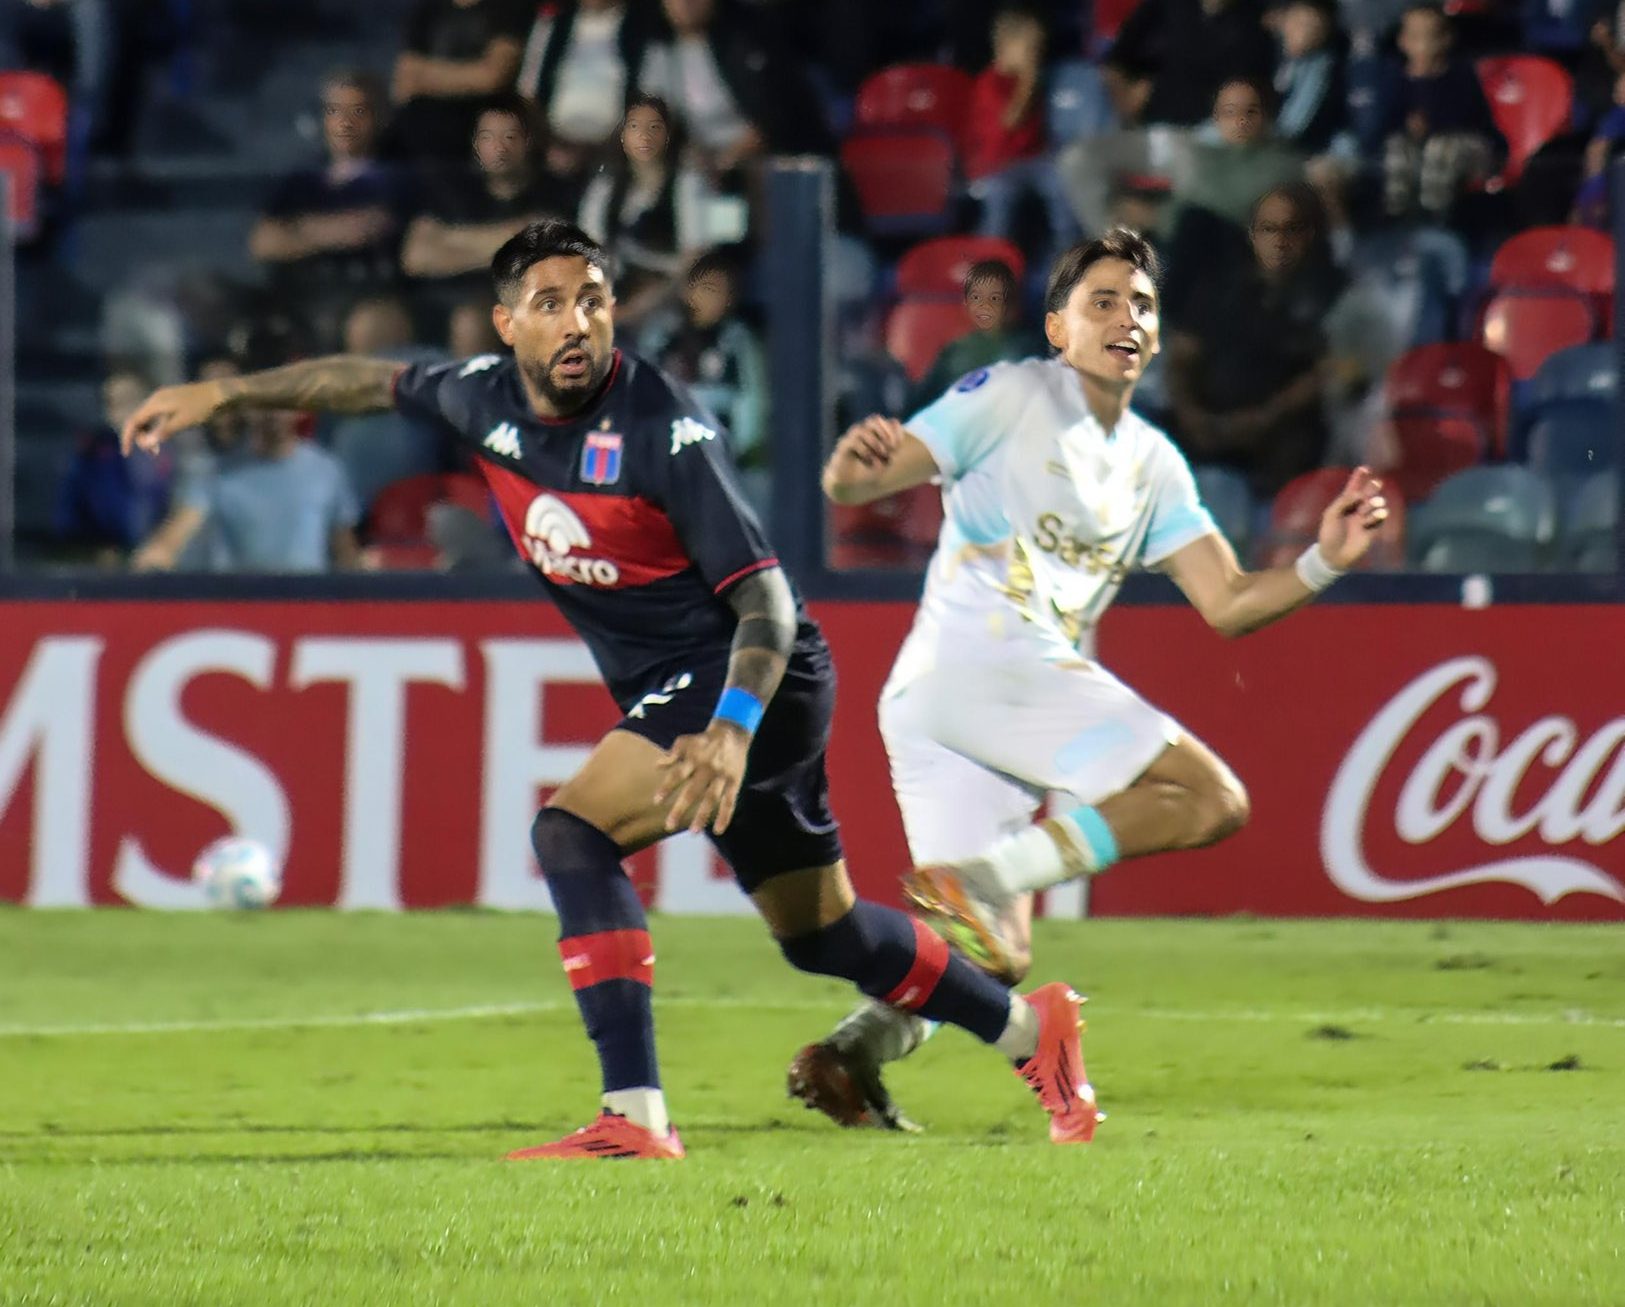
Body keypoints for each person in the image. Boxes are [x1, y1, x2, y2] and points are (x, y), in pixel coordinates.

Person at [121, 217, 1099, 1159]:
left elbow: (765, 600)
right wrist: (225, 395)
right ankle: (1031, 1031)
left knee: (570, 832)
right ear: (508, 326)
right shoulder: (477, 397)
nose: (578, 320)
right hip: (717, 690)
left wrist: (726, 728)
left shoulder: (659, 430)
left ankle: (632, 1112)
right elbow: (367, 381)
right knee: (822, 935)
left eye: (593, 299)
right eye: (550, 303)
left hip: (747, 673)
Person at [789, 229, 1386, 1129]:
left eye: (1140, 305)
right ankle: (990, 875)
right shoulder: (1012, 392)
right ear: (1056, 328)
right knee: (1210, 797)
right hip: (988, 657)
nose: (1126, 318)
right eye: (1101, 301)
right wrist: (847, 465)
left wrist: (1321, 562)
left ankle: (852, 1051)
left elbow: (1225, 601)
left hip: (939, 703)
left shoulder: (1152, 464)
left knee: (993, 957)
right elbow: (865, 478)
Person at [1166, 184, 1344, 500]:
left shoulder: (1333, 295)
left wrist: (1262, 419)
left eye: (1292, 229)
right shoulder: (1219, 288)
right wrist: (1190, 414)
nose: (1279, 240)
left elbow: (1328, 372)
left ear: (1310, 235)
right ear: (1252, 234)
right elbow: (1182, 356)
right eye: (1268, 229)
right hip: (1207, 423)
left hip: (1280, 433)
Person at [250, 70, 413, 347]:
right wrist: (331, 230)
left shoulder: (396, 178)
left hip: (361, 296)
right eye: (335, 111)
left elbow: (365, 230)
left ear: (378, 118)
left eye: (358, 111)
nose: (345, 123)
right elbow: (264, 242)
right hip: (296, 294)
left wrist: (299, 230)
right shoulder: (301, 179)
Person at [402, 94, 564, 314]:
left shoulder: (552, 191)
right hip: (438, 303)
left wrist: (449, 237)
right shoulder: (452, 189)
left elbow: (541, 260)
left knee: (471, 317)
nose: (499, 147)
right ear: (475, 143)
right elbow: (415, 258)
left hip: (515, 312)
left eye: (510, 136)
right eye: (488, 137)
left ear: (529, 141)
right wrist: (505, 247)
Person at [577, 92, 713, 325]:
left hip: (668, 292)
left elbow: (693, 259)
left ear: (669, 135)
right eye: (635, 127)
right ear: (622, 134)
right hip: (615, 286)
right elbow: (588, 248)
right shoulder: (607, 186)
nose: (644, 136)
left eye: (654, 127)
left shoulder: (687, 184)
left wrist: (635, 309)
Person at [964, 5, 1076, 268]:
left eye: (1038, 50)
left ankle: (1066, 255)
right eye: (1029, 50)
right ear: (1005, 46)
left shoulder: (1030, 80)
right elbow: (1011, 120)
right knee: (999, 210)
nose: (1035, 59)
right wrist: (1028, 80)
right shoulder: (989, 83)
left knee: (1061, 185)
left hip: (1034, 159)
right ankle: (987, 264)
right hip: (997, 165)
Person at [636, 248, 767, 465]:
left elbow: (751, 400)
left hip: (719, 453)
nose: (714, 299)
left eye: (723, 292)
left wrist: (737, 449)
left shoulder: (736, 340)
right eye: (707, 289)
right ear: (689, 291)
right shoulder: (663, 336)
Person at [1372, 4, 1503, 219]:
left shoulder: (1461, 74)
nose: (1423, 45)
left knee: (1440, 148)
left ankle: (1434, 219)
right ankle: (1400, 219)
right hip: (1417, 147)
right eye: (1414, 37)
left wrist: (1431, 123)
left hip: (1470, 146)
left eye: (1430, 37)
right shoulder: (1395, 78)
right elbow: (1384, 124)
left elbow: (1468, 120)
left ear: (1446, 39)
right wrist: (1408, 125)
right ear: (1403, 42)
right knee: (1397, 147)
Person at [518, 0, 655, 179]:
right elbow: (528, 93)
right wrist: (549, 142)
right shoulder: (552, 22)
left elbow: (648, 97)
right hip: (553, 145)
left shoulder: (642, 25)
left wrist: (605, 147)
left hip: (617, 148)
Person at [54, 366, 172, 564]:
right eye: (111, 403)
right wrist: (95, 550)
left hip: (168, 562)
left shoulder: (173, 451)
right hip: (107, 566)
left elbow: (183, 506)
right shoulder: (89, 458)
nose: (119, 410)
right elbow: (68, 518)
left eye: (128, 400)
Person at [389, 0, 532, 160]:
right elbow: (405, 81)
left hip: (479, 141)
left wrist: (426, 76)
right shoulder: (427, 9)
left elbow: (493, 77)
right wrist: (471, 75)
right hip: (420, 139)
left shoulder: (510, 7)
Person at [913, 258, 1045, 408]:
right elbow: (920, 406)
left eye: (996, 298)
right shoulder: (956, 351)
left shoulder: (1031, 352)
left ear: (1015, 304)